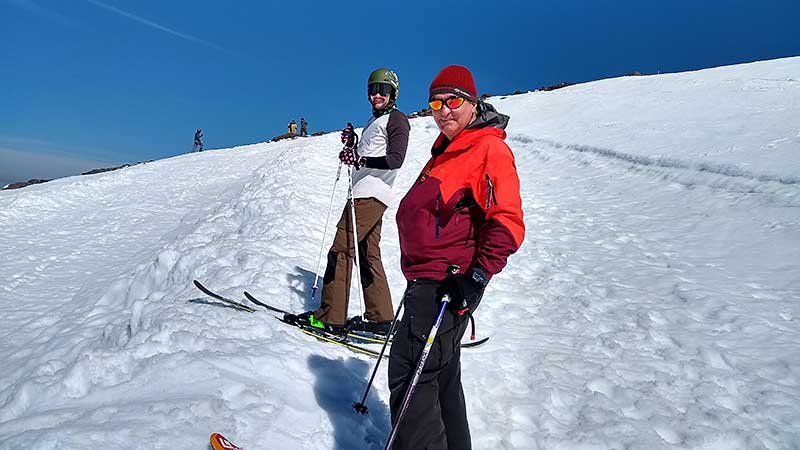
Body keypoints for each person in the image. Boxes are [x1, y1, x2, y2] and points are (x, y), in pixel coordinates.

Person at [388, 65, 525, 449]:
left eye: (454, 101)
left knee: (411, 378)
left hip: (446, 287)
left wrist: (476, 277)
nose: (444, 110)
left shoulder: (487, 147)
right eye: (436, 102)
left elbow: (508, 221)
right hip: (428, 284)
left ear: (472, 102)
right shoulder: (447, 151)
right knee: (440, 378)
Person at [284, 68, 410, 336]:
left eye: (383, 90)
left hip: (369, 195)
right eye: (372, 90)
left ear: (393, 93)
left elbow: (395, 159)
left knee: (341, 250)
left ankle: (331, 318)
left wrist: (361, 160)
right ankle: (381, 318)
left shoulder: (397, 120)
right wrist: (354, 148)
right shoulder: (376, 121)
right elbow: (367, 157)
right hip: (368, 192)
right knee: (367, 252)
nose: (377, 95)